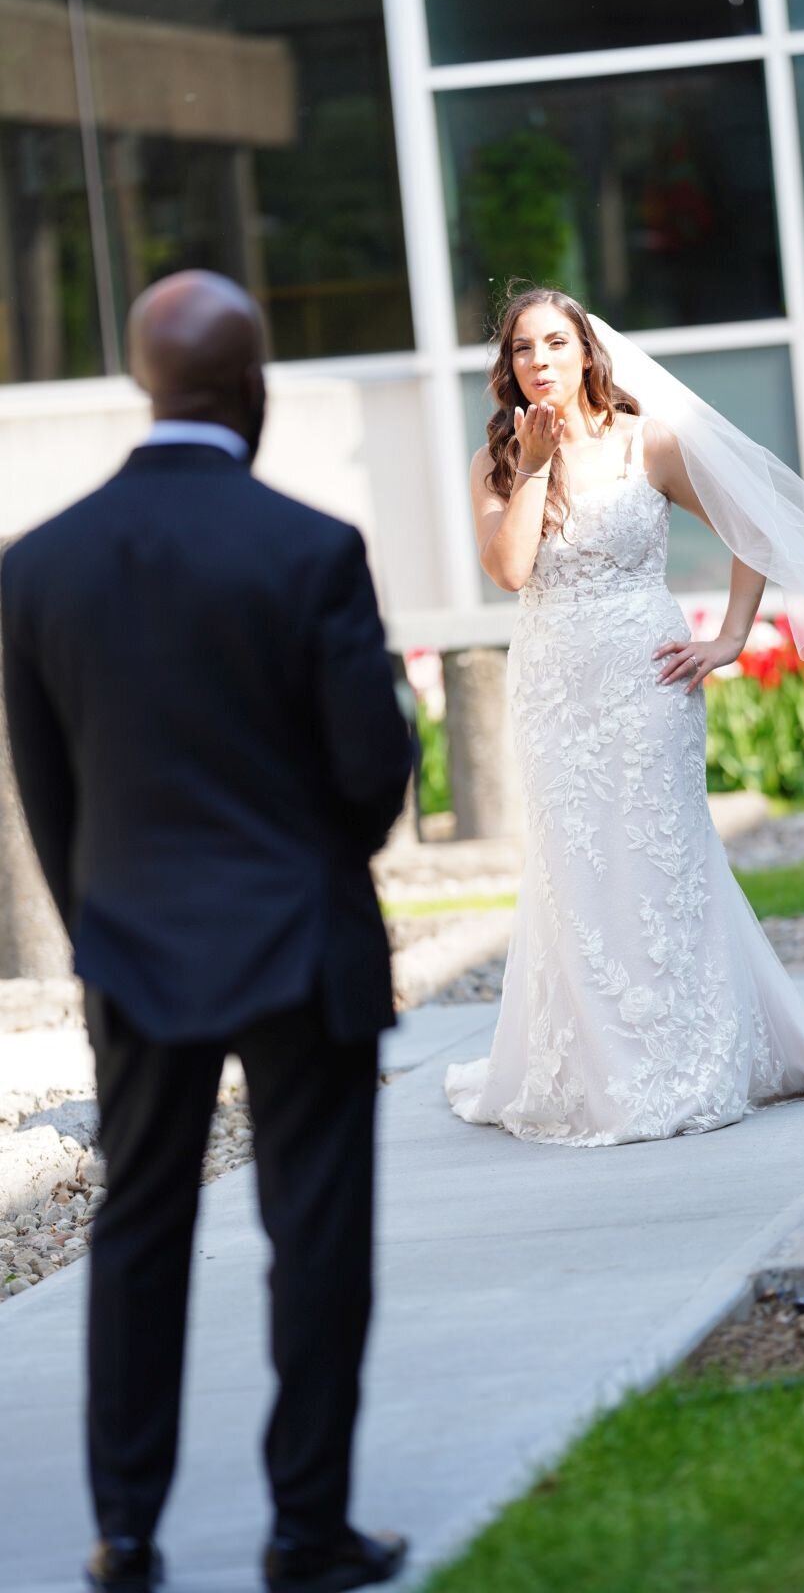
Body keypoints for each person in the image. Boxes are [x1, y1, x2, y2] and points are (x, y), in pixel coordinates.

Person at [1, 271, 413, 1593]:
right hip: (304, 938)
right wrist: (313, 869)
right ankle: (309, 1530)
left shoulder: (37, 565)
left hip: (132, 945)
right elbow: (369, 772)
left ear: (144, 382)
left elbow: (45, 792)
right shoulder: (311, 547)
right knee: (319, 1232)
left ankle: (126, 1535)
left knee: (138, 1234)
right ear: (255, 387)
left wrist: (104, 925)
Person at [445, 287, 804, 1147]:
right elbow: (509, 569)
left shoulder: (649, 439)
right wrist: (533, 468)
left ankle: (686, 1053)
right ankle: (593, 1063)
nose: (539, 362)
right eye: (523, 349)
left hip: (646, 674)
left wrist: (729, 636)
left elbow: (749, 524)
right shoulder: (495, 460)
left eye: (555, 345)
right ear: (510, 367)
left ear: (585, 353)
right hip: (553, 685)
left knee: (658, 853)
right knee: (573, 864)